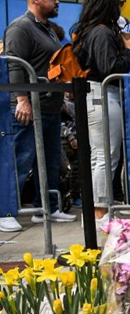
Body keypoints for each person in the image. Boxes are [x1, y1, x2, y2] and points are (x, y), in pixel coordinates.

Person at [2, 0, 77, 232]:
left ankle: (46, 208)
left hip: (50, 108)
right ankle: (4, 212)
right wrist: (22, 100)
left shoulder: (46, 29)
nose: (57, 1)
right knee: (19, 161)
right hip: (29, 108)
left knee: (50, 162)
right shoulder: (20, 27)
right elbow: (13, 66)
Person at [72, 0, 130, 227]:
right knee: (105, 155)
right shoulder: (101, 32)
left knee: (104, 155)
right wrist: (128, 50)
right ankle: (99, 212)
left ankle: (99, 210)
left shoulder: (94, 31)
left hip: (100, 95)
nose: (120, 7)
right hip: (102, 94)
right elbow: (111, 68)